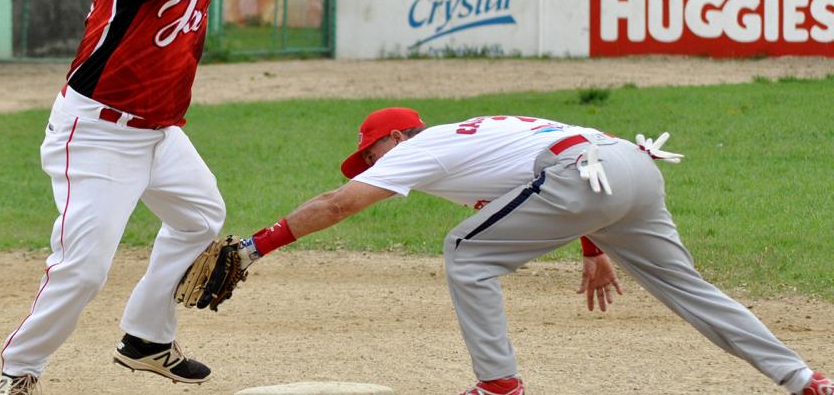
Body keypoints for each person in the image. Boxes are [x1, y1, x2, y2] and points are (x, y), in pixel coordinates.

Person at [229, 107, 832, 395]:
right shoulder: (478, 138)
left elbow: (338, 204)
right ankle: (804, 377)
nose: (369, 166)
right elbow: (567, 179)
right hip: (632, 166)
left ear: (392, 137)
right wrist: (595, 247)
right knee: (691, 290)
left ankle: (498, 386)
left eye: (369, 154)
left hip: (581, 170)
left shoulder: (421, 146)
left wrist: (257, 245)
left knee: (465, 252)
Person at [0, 0, 332, 393]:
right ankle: (20, 369)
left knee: (199, 215)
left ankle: (146, 339)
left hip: (159, 130)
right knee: (84, 269)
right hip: (98, 134)